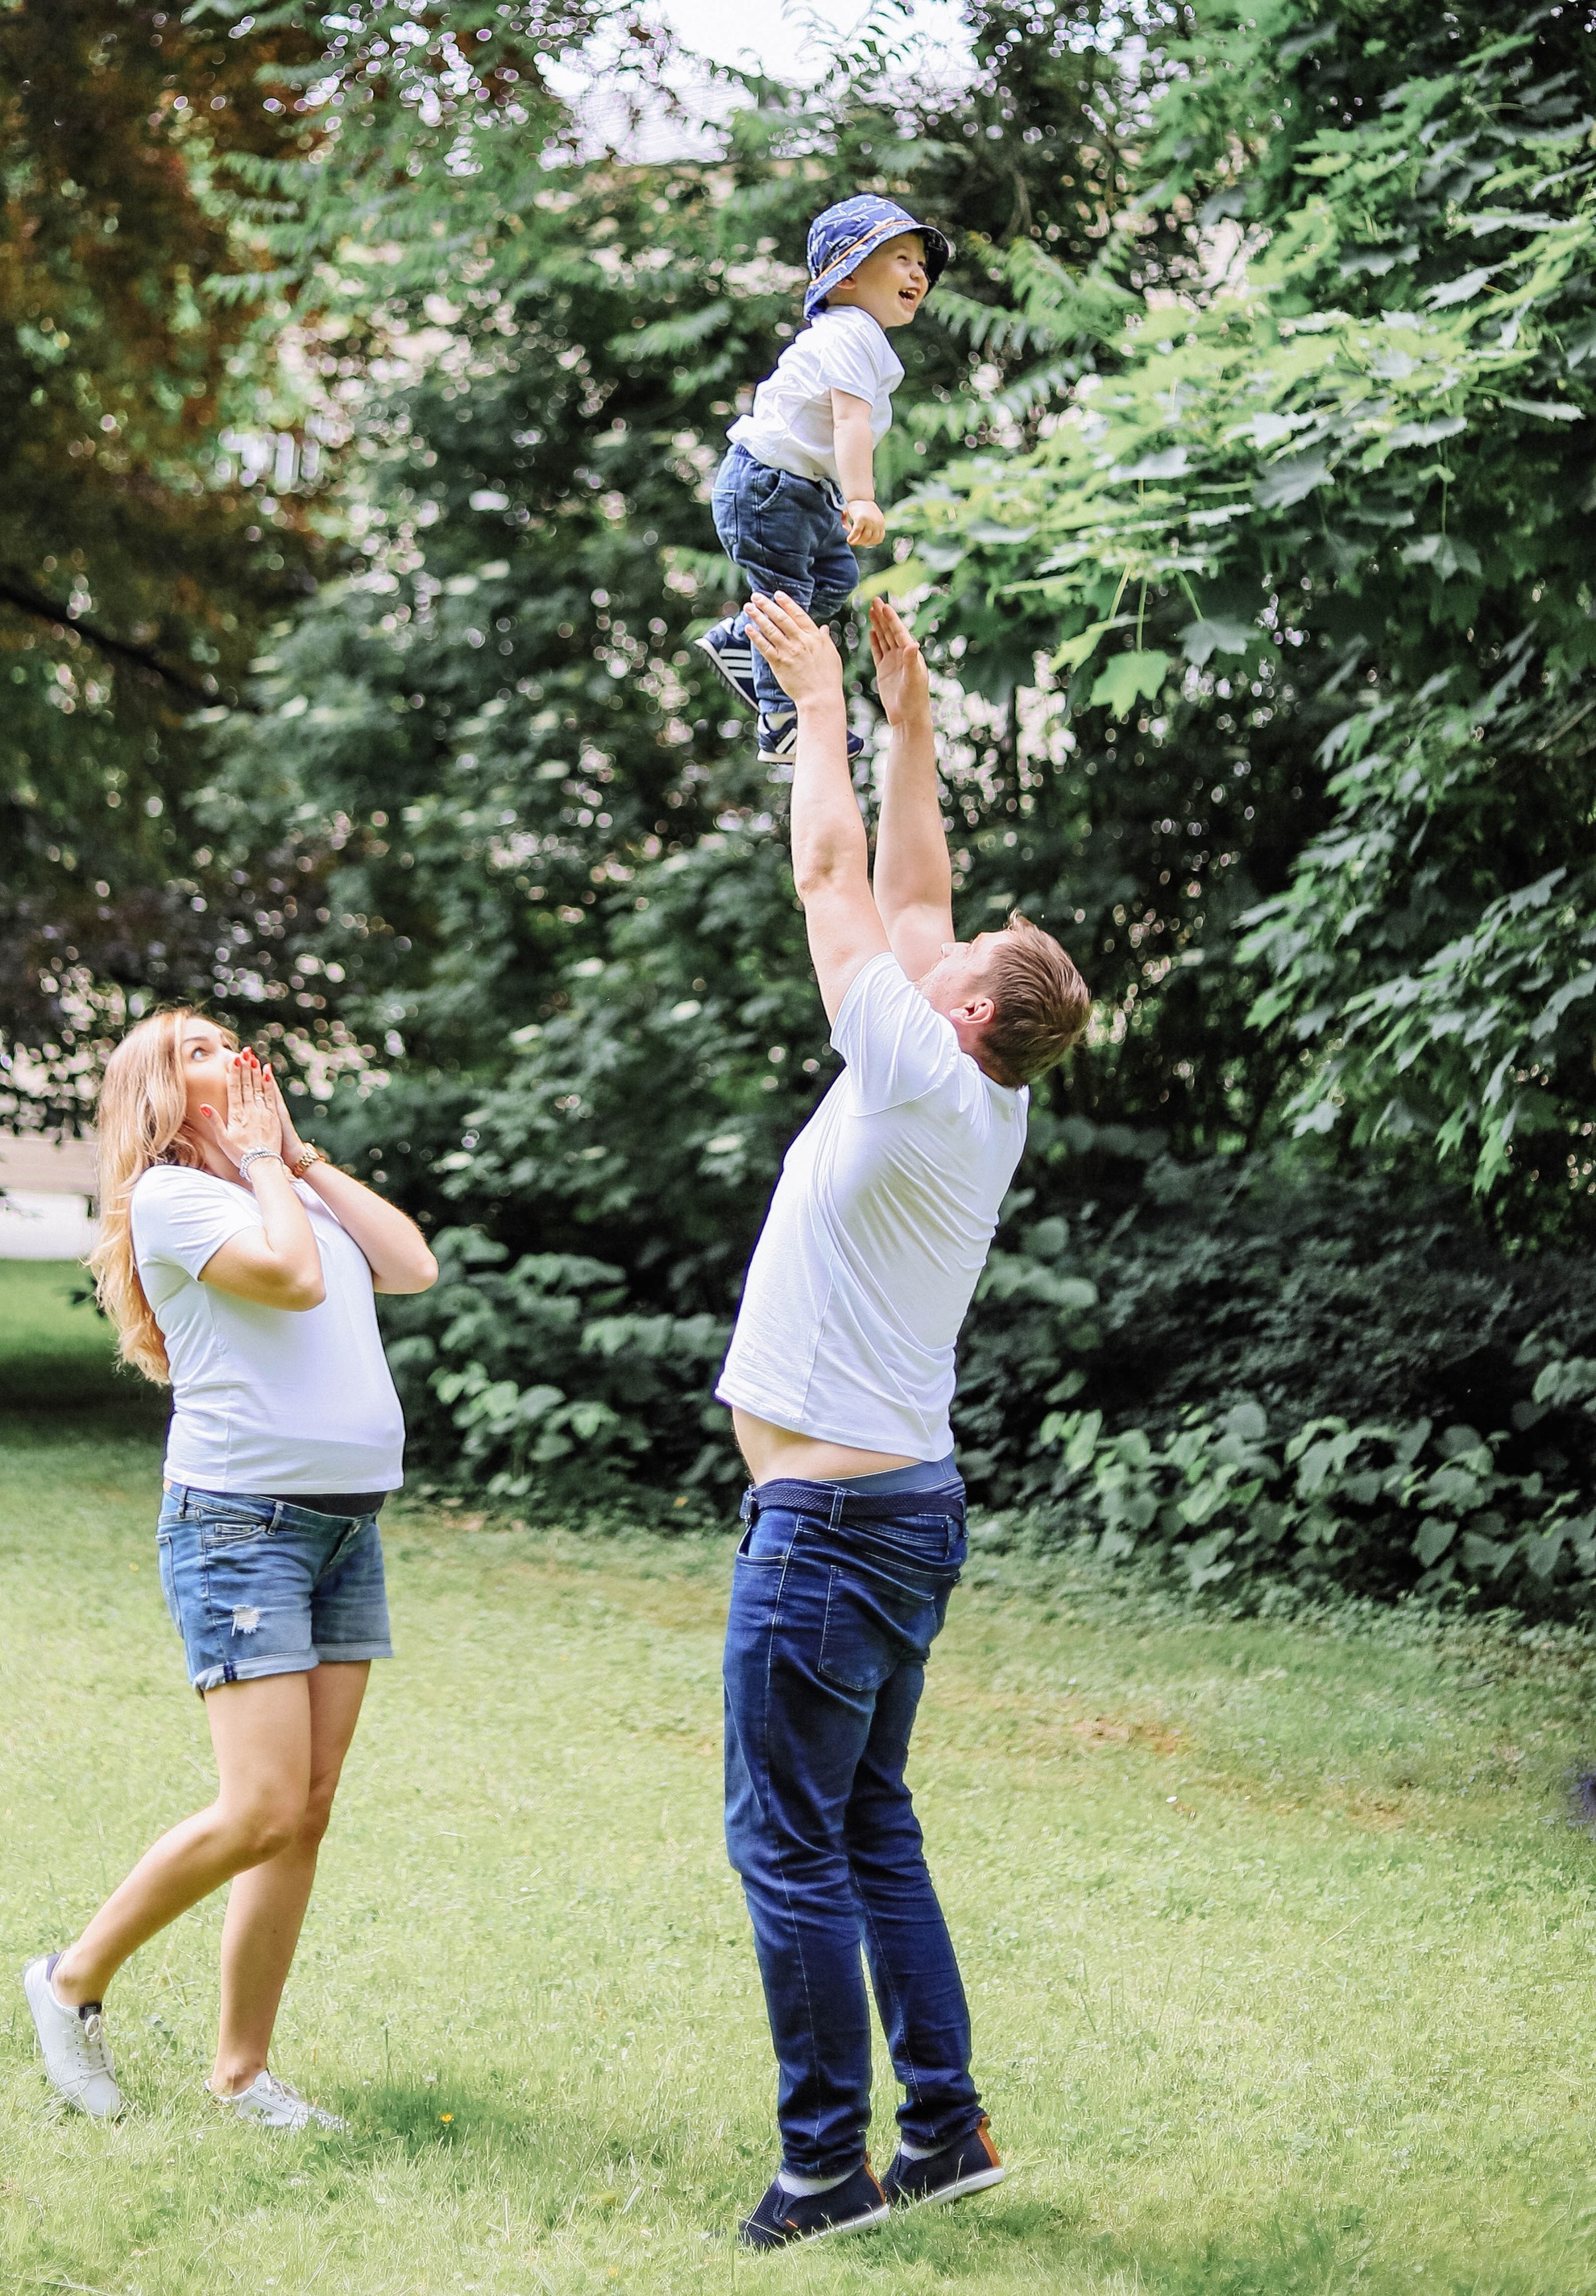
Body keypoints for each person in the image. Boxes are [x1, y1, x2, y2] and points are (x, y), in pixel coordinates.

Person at [715, 590, 1090, 2252]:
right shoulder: (974, 1083)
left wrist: (811, 709)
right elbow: (913, 887)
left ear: (956, 1011)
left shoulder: (913, 1068)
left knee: (787, 1844)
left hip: (827, 1536)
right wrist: (908, 717)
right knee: (868, 1820)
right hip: (902, 1513)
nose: (927, 936)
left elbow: (831, 882)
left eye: (948, 959)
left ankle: (821, 2170)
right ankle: (941, 2134)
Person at [22, 1009, 437, 2128]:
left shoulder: (279, 1185)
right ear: (160, 1097)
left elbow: (411, 1264)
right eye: (197, 1051)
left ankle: (241, 2073)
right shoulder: (173, 1197)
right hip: (240, 1527)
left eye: (226, 1040)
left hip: (346, 1529)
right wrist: (262, 1166)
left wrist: (300, 1161)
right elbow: (295, 1285)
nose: (232, 1056)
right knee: (258, 1809)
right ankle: (68, 1983)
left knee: (304, 1812)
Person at [701, 193, 954, 763]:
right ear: (845, 278)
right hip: (767, 485)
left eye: (921, 264)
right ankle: (781, 719)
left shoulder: (863, 337)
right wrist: (862, 497)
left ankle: (741, 637)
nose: (918, 272)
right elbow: (849, 419)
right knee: (789, 599)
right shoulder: (846, 333)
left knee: (835, 580)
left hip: (803, 491)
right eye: (900, 258)